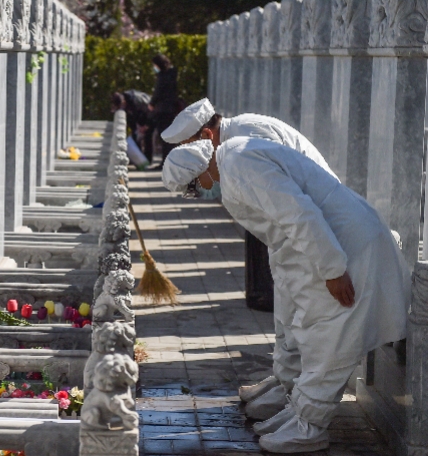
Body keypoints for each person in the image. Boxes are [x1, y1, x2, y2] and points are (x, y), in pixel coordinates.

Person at [162, 138, 409, 453]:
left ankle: (311, 428)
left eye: (193, 187)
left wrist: (332, 270)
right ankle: (301, 414)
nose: (200, 193)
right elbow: (278, 231)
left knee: (332, 339)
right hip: (333, 245)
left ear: (199, 172)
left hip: (348, 249)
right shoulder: (233, 163)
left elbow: (298, 214)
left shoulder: (240, 167)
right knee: (316, 333)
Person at [162, 98, 339, 421]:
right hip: (288, 229)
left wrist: (328, 263)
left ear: (205, 136)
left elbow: (290, 203)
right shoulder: (232, 142)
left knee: (301, 312)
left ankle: (299, 395)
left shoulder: (247, 137)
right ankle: (285, 380)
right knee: (284, 308)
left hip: (313, 225)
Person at [149, 54, 181, 166]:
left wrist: (152, 103)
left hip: (162, 110)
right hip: (171, 109)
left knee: (164, 137)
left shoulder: (162, 77)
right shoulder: (172, 75)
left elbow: (158, 92)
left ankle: (165, 162)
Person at [112, 90, 153, 160]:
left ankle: (147, 158)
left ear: (123, 101)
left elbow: (149, 112)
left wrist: (146, 125)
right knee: (135, 135)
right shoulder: (126, 103)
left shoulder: (136, 100)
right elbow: (131, 118)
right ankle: (138, 158)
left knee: (147, 136)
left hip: (150, 114)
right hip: (140, 117)